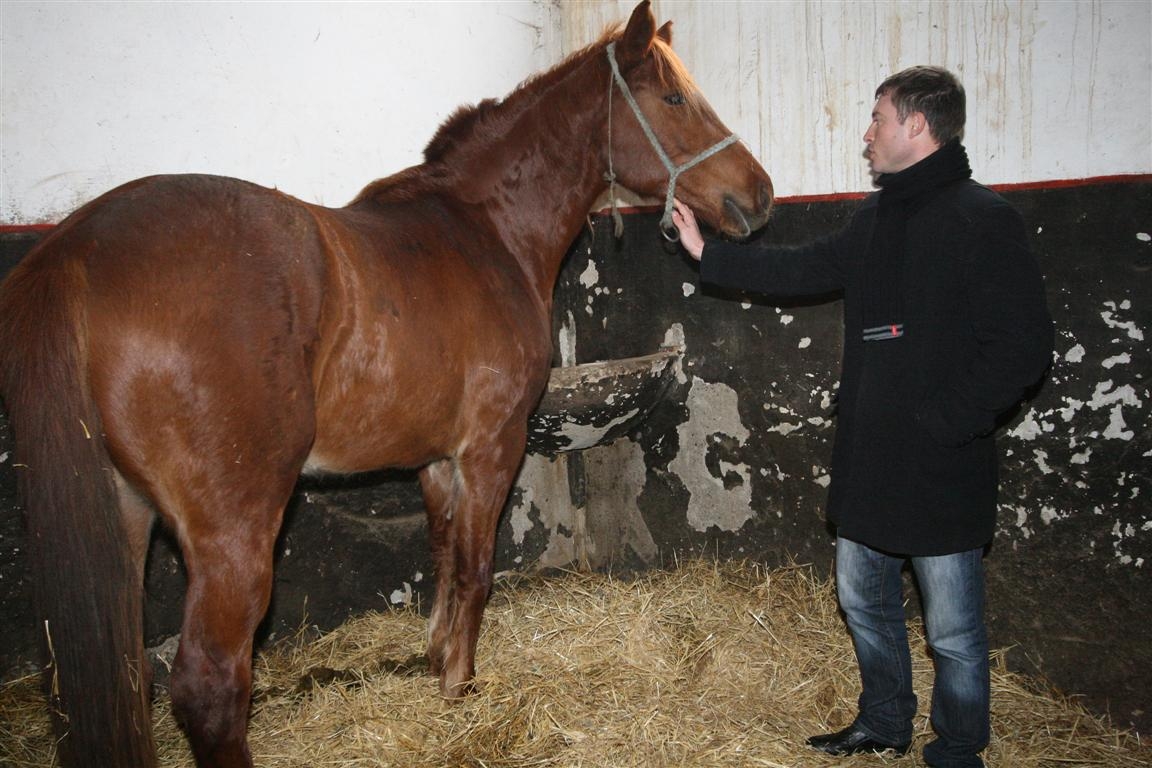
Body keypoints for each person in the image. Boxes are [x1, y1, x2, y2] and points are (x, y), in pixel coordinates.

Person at [671, 66, 1054, 768]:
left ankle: (959, 748)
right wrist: (708, 254)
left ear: (916, 125)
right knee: (864, 601)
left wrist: (947, 422)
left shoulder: (984, 219)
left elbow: (1024, 346)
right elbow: (802, 268)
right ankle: (883, 723)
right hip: (872, 460)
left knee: (955, 632)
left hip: (942, 466)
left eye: (877, 118)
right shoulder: (876, 220)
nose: (867, 133)